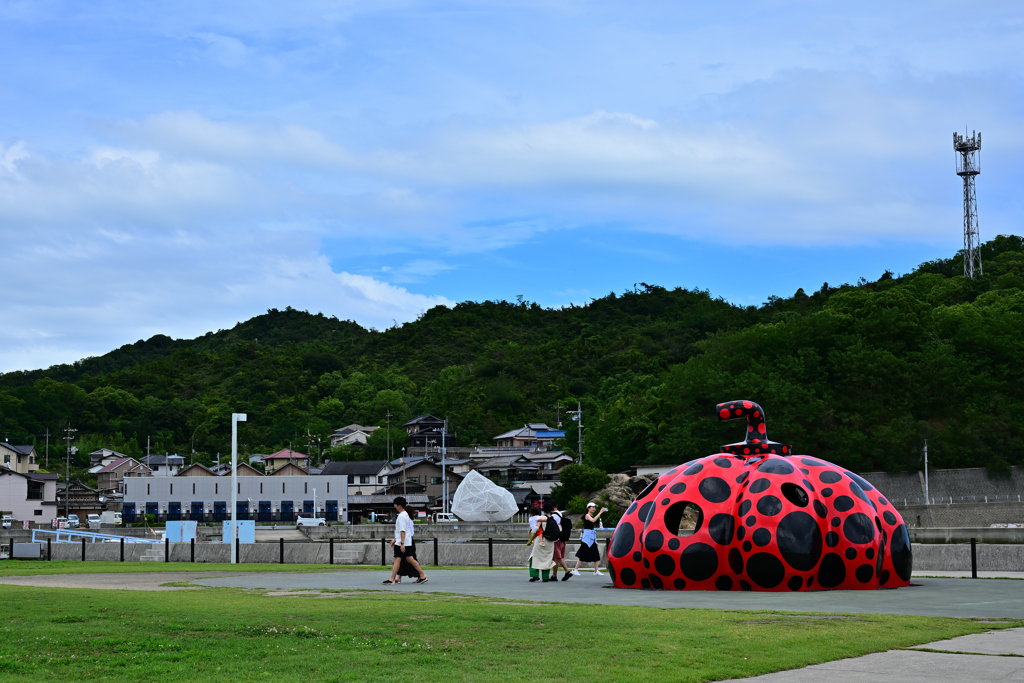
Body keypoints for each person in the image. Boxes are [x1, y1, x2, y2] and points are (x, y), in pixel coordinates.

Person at [382, 497, 428, 585]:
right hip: (407, 542)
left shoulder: (402, 516)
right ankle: (422, 575)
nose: (395, 506)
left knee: (397, 560)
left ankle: (392, 579)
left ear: (399, 505)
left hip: (402, 543)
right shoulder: (405, 515)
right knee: (410, 559)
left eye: (395, 505)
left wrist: (401, 543)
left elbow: (402, 531)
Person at [571, 502, 607, 576]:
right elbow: (593, 520)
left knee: (596, 553)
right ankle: (575, 569)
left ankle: (596, 570)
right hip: (587, 538)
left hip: (592, 537)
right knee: (583, 553)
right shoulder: (587, 515)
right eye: (592, 507)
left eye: (595, 507)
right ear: (588, 508)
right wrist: (600, 512)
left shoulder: (591, 515)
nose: (594, 508)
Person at [528, 502, 558, 582]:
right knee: (547, 560)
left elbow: (536, 529)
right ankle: (545, 577)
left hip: (541, 540)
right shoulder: (552, 518)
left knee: (534, 557)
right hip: (550, 542)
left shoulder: (541, 517)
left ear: (544, 510)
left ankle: (535, 576)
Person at [550, 507, 572, 581]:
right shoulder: (560, 514)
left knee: (558, 557)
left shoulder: (554, 516)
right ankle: (554, 575)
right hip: (562, 538)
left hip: (557, 539)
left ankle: (567, 571)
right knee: (556, 558)